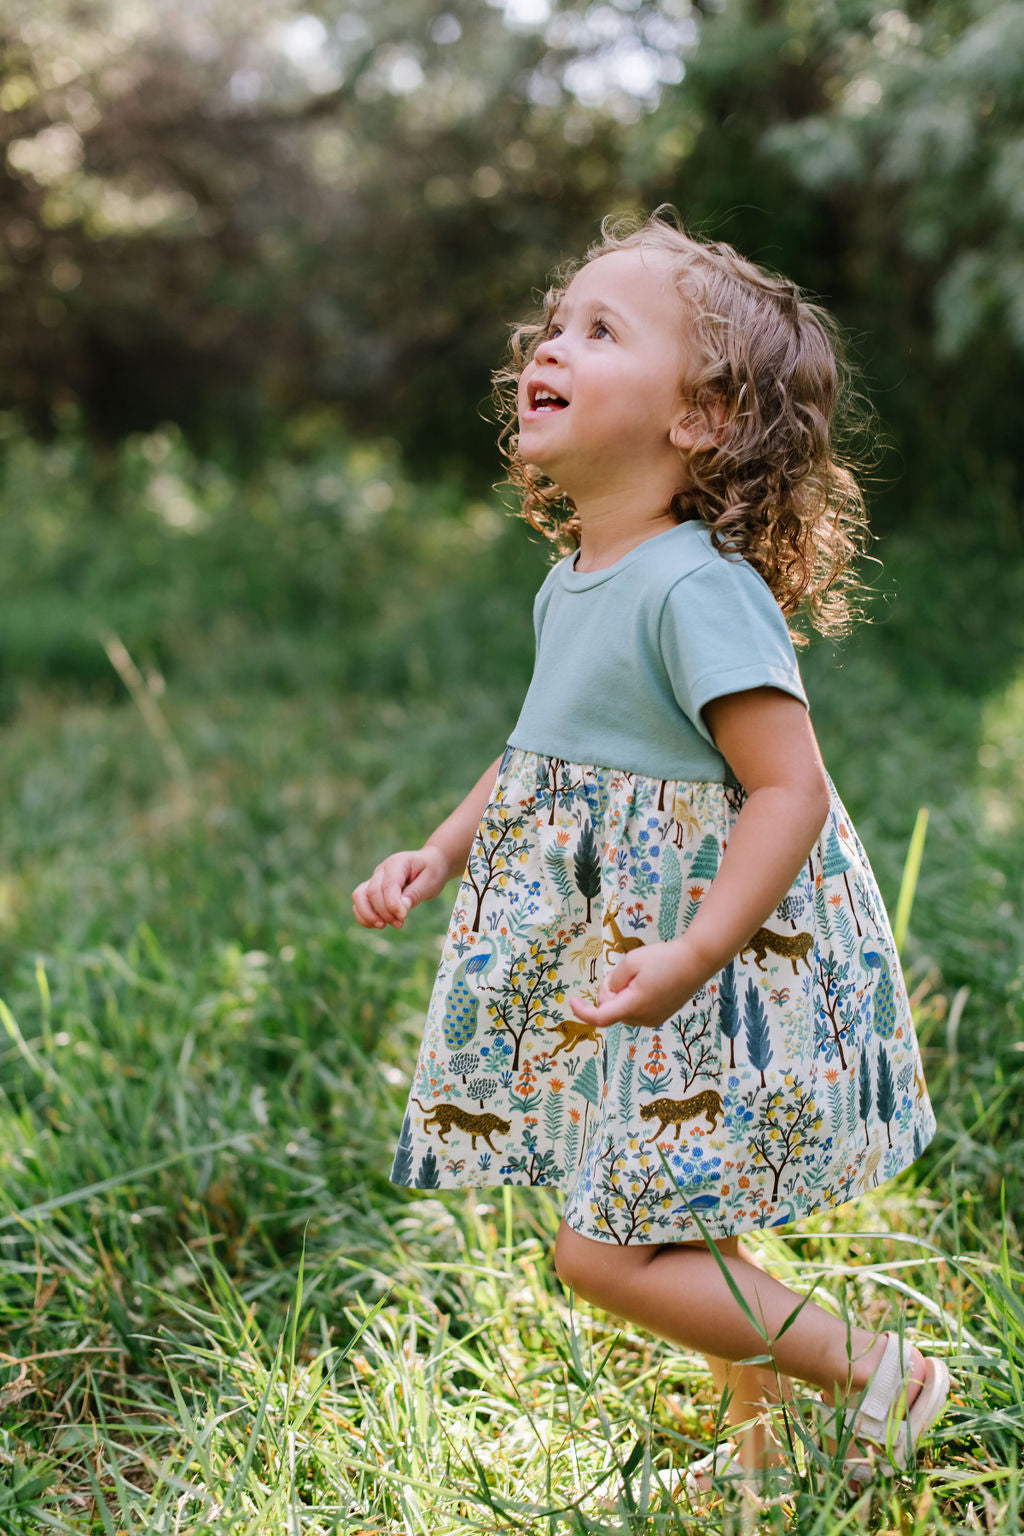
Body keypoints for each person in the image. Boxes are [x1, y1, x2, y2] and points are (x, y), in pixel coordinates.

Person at [352, 211, 949, 1491]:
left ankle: (874, 1371)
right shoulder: (579, 570)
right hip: (636, 944)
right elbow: (537, 753)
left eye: (600, 330)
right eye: (553, 324)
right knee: (694, 1214)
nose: (548, 347)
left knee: (604, 1251)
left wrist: (696, 948)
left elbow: (788, 788)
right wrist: (443, 850)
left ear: (704, 420)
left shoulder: (692, 585)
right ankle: (766, 1453)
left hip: (713, 950)